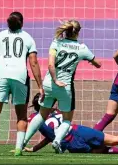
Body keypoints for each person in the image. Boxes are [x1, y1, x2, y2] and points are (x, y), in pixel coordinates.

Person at [22, 20, 102, 154]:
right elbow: (98, 63)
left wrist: (54, 79)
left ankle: (23, 141)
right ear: (78, 32)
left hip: (48, 84)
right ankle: (57, 140)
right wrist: (91, 61)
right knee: (67, 119)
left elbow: (50, 65)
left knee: (41, 115)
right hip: (65, 87)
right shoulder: (82, 48)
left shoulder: (56, 42)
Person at [20, 93, 118, 156]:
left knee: (99, 151)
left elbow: (49, 137)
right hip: (79, 130)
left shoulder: (35, 119)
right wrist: (35, 148)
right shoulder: (57, 110)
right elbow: (51, 136)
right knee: (114, 139)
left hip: (71, 143)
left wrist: (33, 148)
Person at [0, 11, 44, 156]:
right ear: (22, 23)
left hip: (1, 76)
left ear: (8, 23)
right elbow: (33, 62)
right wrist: (40, 86)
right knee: (21, 115)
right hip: (20, 77)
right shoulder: (28, 38)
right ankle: (18, 149)